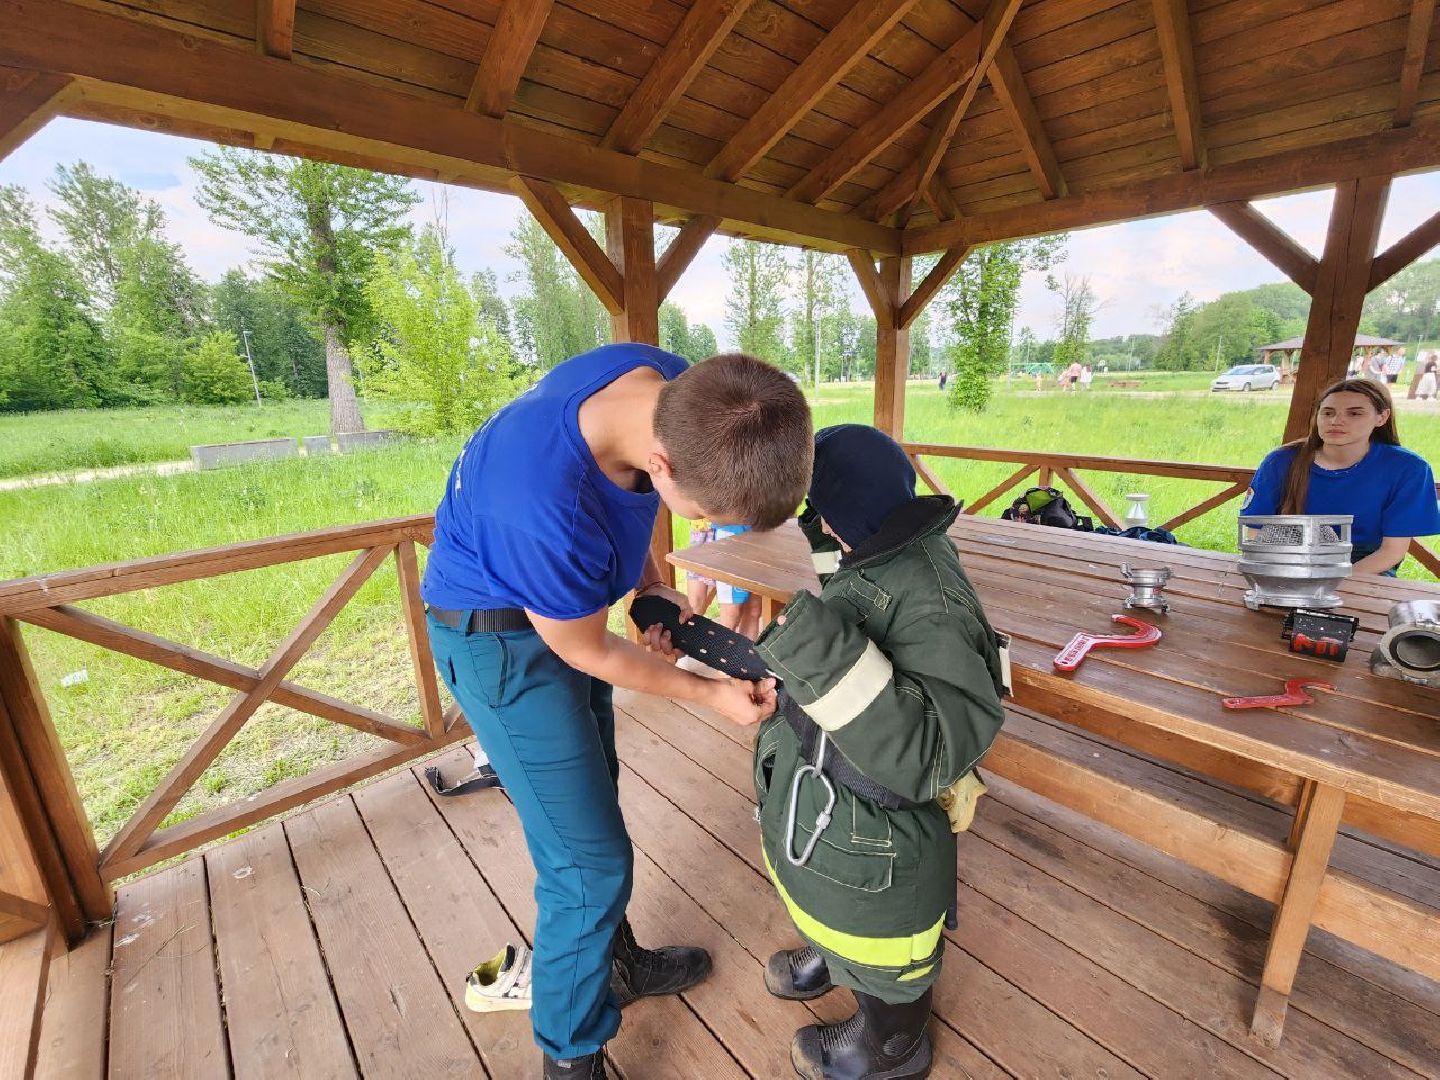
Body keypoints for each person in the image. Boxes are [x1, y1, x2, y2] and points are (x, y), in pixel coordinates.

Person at [422, 344, 808, 1079]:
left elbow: (625, 495)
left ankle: (614, 967)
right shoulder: (543, 507)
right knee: (586, 862)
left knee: (594, 804)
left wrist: (650, 585)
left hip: (559, 605)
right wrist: (710, 693)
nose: (702, 525)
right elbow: (588, 650)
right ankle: (570, 1054)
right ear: (665, 464)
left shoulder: (672, 387)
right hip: (500, 645)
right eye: (704, 517)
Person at [751, 424, 1007, 1080]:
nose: (821, 528)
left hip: (878, 821)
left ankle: (892, 1044)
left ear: (849, 513)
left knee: (882, 931)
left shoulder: (934, 603)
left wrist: (810, 651)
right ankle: (836, 956)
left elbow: (930, 752)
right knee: (827, 894)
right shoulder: (876, 545)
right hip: (828, 793)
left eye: (822, 512)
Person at [1243, 378, 1440, 576]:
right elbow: (1254, 531)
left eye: (1354, 413)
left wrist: (1332, 580)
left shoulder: (1409, 468)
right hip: (1290, 558)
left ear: (1382, 417)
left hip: (1367, 565)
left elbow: (1392, 552)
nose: (1336, 421)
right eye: (1328, 412)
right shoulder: (1281, 460)